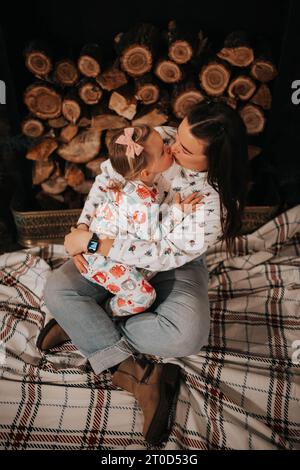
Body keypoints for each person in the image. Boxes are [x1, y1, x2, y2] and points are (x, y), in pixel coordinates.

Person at [39, 100, 249, 445]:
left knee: (187, 336)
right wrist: (82, 228)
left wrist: (93, 244)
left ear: (214, 160)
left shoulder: (216, 201)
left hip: (169, 262)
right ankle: (139, 376)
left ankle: (83, 323)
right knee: (57, 290)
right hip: (111, 249)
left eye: (184, 149)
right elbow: (108, 177)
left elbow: (161, 254)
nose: (171, 146)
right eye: (175, 135)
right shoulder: (157, 140)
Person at [80, 125, 203, 317]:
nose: (169, 148)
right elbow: (153, 237)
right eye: (163, 151)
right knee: (145, 297)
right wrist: (178, 213)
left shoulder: (129, 180)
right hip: (101, 259)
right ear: (146, 173)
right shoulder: (142, 200)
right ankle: (106, 312)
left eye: (164, 143)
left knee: (148, 266)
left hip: (101, 246)